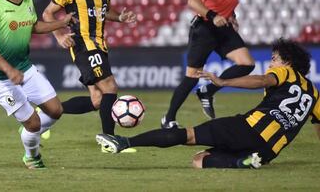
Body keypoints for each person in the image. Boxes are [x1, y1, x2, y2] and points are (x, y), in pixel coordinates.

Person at [96, 38, 320, 169]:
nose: (271, 64)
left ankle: (124, 141)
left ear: (288, 62)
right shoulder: (315, 94)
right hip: (270, 150)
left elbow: (262, 79)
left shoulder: (285, 72)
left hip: (249, 128)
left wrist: (223, 81)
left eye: (274, 59)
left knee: (188, 136)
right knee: (199, 160)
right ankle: (243, 161)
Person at [0, 0, 74, 169]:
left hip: (24, 69)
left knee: (56, 110)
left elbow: (33, 26)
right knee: (34, 123)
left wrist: (61, 23)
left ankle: (29, 130)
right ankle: (32, 156)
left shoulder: (28, 2)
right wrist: (8, 70)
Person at [42, 0, 136, 152]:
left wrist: (119, 17)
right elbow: (47, 13)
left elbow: (104, 11)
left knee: (97, 100)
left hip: (100, 43)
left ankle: (46, 113)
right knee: (110, 86)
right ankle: (110, 140)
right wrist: (59, 36)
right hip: (83, 44)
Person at [161, 0, 255, 127]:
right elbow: (192, 0)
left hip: (223, 27)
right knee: (192, 77)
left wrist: (232, 16)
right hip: (204, 28)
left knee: (247, 64)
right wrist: (213, 16)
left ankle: (208, 90)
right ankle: (168, 119)